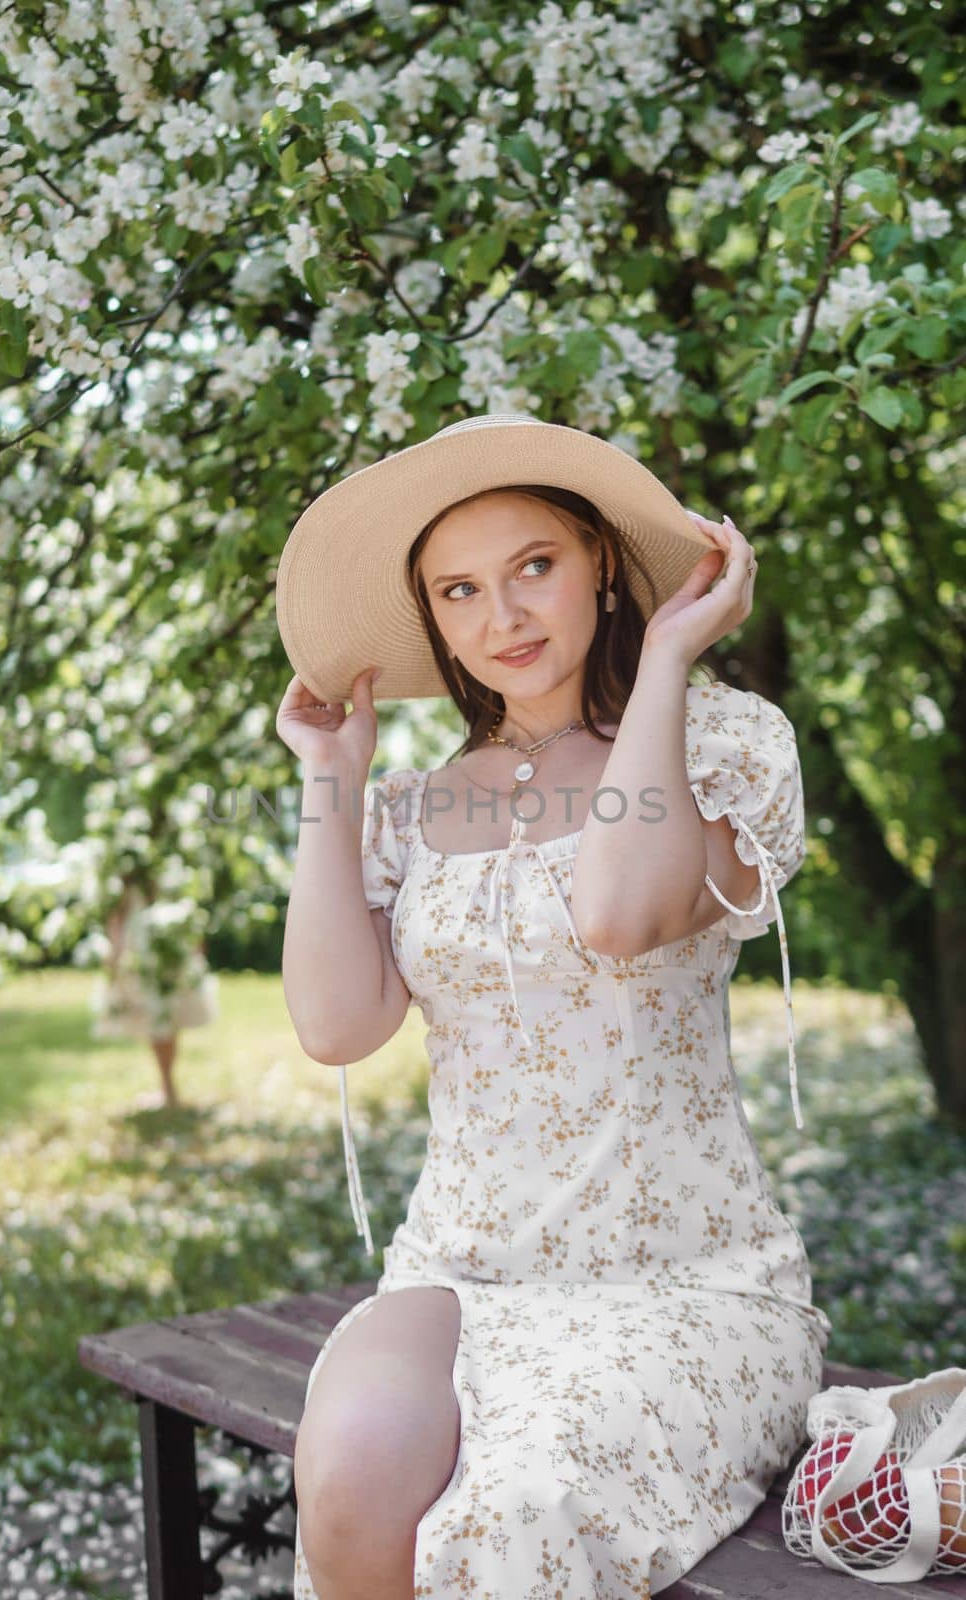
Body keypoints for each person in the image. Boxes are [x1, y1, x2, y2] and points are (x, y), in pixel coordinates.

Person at [275, 412, 831, 1599]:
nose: (503, 617)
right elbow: (333, 1025)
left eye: (535, 566)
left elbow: (620, 917)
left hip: (687, 1280)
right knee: (349, 1480)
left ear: (601, 567)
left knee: (518, 1507)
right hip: (459, 1268)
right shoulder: (410, 809)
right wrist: (333, 782)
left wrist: (671, 664)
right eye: (459, 589)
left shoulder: (722, 743)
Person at [90, 872, 216, 1110]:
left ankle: (168, 1087)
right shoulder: (124, 870)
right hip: (139, 945)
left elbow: (188, 897)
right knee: (158, 1018)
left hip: (165, 940)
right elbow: (117, 910)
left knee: (164, 1015)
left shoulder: (169, 863)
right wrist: (115, 951)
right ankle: (167, 1086)